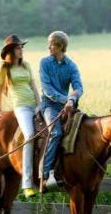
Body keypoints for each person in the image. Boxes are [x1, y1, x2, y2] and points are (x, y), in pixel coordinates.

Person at [0, 34, 40, 198]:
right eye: (19, 48)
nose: (22, 50)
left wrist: (39, 104)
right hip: (21, 107)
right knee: (30, 135)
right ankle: (27, 184)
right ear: (12, 51)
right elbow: (0, 90)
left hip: (34, 105)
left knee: (50, 132)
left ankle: (48, 176)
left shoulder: (26, 65)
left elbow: (33, 85)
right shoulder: (5, 69)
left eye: (22, 47)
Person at [39, 31, 83, 188]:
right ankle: (45, 175)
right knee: (56, 132)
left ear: (60, 46)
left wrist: (72, 99)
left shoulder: (71, 66)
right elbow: (47, 90)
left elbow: (78, 87)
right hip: (49, 105)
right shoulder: (44, 63)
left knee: (82, 129)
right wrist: (68, 100)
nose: (48, 47)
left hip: (67, 106)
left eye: (51, 44)